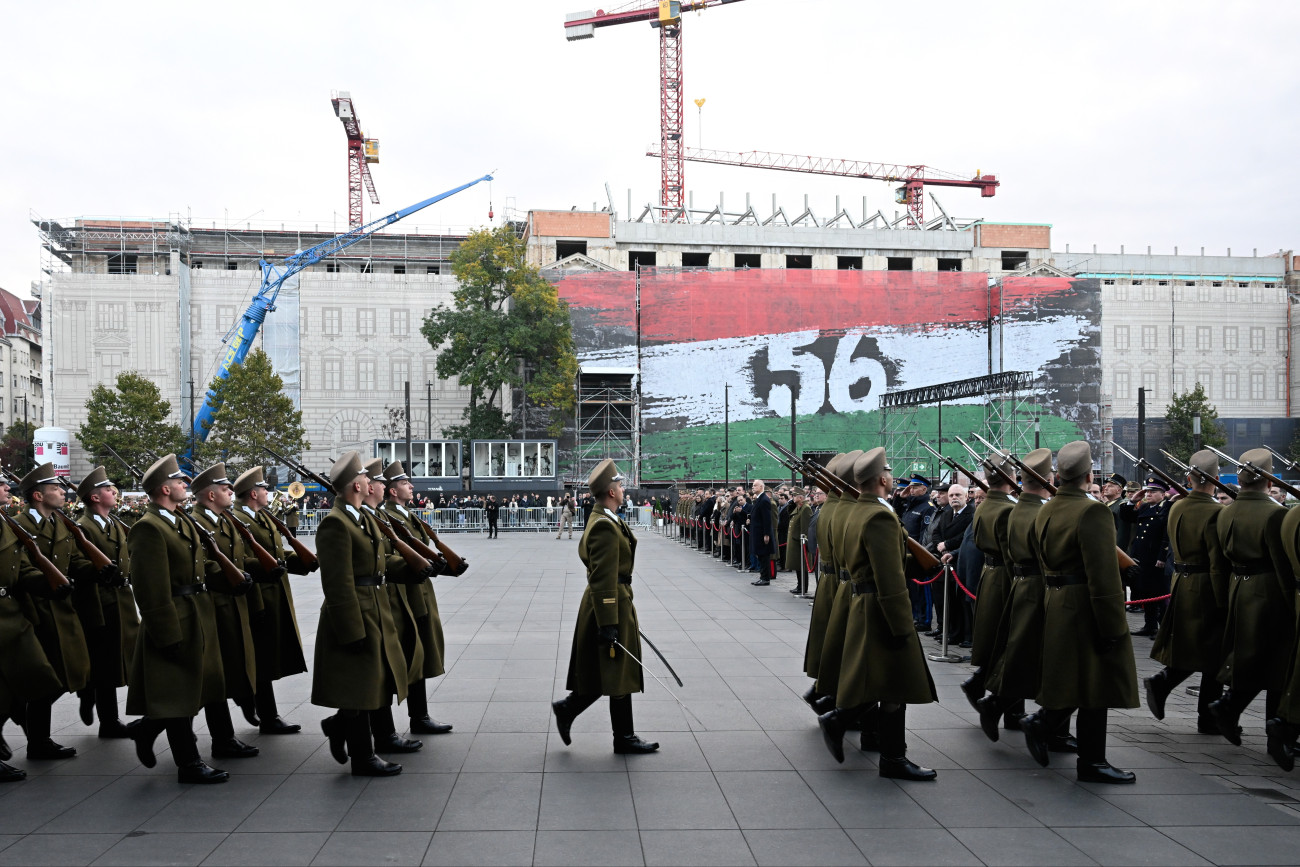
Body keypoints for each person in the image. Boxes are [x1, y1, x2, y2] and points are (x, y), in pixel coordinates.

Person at [816, 447, 937, 780]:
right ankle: (892, 758)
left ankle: (849, 725)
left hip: (862, 603)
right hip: (882, 608)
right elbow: (889, 578)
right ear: (883, 478)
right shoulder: (880, 516)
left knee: (882, 681)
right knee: (896, 685)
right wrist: (902, 625)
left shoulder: (853, 511)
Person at [1021, 441, 1138, 784]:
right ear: (1089, 476)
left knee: (1076, 678)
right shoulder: (1093, 511)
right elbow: (1103, 575)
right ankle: (1090, 759)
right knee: (1095, 681)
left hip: (1056, 599)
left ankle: (1049, 727)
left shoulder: (1046, 508)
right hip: (1085, 603)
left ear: (1058, 476)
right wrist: (1113, 625)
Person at [126, 454, 229, 783]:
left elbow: (198, 566)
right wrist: (166, 632)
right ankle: (189, 763)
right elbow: (150, 588)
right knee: (177, 691)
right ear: (163, 489)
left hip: (196, 611)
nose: (185, 484)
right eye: (179, 481)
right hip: (172, 615)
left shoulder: (180, 520)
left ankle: (146, 729)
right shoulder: (148, 528)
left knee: (190, 689)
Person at [551, 459, 658, 755]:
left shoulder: (606, 519)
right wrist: (608, 621)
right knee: (615, 667)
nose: (623, 489)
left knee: (613, 668)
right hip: (609, 601)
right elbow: (602, 577)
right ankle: (622, 736)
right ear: (611, 491)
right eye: (620, 485)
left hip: (614, 600)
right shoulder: (604, 526)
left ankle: (576, 712)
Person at [312, 451, 408, 777]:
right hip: (355, 610)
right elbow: (338, 584)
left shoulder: (362, 517)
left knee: (369, 682)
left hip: (374, 605)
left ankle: (340, 728)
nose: (371, 481)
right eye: (366, 477)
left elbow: (377, 562)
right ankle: (362, 757)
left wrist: (413, 566)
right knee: (360, 685)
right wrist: (351, 628)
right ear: (356, 484)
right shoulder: (335, 524)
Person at [977, 448, 1076, 752]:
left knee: (1029, 656)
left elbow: (1008, 556)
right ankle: (1046, 726)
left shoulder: (1016, 508)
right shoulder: (1038, 511)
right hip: (1042, 588)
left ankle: (1005, 707)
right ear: (1048, 478)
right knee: (1051, 661)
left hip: (1021, 585)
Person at [1207, 449, 1295, 747]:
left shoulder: (1225, 511)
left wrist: (1222, 599)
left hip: (1237, 587)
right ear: (1269, 481)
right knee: (1277, 661)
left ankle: (1231, 707)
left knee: (1249, 654)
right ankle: (1269, 731)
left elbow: (1218, 563)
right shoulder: (1276, 513)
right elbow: (1282, 566)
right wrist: (1292, 604)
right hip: (1267, 591)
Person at [1142, 450, 1228, 735]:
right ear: (1216, 479)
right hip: (1205, 584)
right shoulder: (1216, 512)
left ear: (1189, 478)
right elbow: (1217, 562)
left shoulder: (1176, 506)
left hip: (1181, 581)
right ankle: (1207, 716)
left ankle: (1165, 681)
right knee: (1213, 652)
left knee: (1192, 644)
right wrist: (1223, 599)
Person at [13, 463, 94, 760]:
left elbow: (70, 561)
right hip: (36, 609)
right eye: (55, 489)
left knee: (68, 673)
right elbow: (20, 569)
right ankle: (37, 739)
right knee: (45, 677)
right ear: (38, 495)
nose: (62, 492)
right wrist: (48, 584)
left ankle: (36, 735)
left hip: (62, 606)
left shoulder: (59, 522)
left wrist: (96, 571)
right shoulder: (19, 524)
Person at [232, 466, 313, 735]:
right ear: (253, 493)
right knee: (261, 658)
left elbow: (276, 552)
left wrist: (301, 562)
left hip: (275, 593)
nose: (268, 492)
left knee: (266, 656)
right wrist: (270, 566)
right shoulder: (237, 520)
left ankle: (257, 704)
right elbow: (240, 561)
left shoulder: (262, 516)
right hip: (257, 597)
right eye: (264, 488)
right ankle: (266, 714)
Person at [188, 463, 262, 761]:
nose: (231, 491)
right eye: (225, 488)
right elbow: (200, 564)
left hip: (233, 604)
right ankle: (221, 738)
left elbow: (241, 558)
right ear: (209, 494)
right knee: (214, 676)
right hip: (213, 605)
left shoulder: (224, 520)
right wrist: (229, 576)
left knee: (226, 672)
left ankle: (225, 735)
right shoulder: (195, 522)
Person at [0, 471, 66, 782]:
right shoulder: (14, 521)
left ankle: (36, 738)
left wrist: (51, 584)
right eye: (1, 486)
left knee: (41, 677)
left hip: (14, 613)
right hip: (7, 615)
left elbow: (21, 567)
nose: (6, 489)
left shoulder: (5, 522)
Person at [382, 461, 454, 736]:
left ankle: (419, 716)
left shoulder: (405, 514)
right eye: (404, 483)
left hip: (419, 592)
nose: (411, 486)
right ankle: (351, 719)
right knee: (405, 656)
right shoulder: (387, 517)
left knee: (419, 653)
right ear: (391, 491)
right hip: (404, 594)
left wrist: (447, 566)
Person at [360, 459, 425, 757]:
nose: (386, 487)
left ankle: (383, 731)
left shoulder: (374, 517)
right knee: (381, 669)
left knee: (391, 665)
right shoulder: (353, 520)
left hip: (388, 597)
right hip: (379, 600)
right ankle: (357, 729)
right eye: (384, 483)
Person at [73, 467, 140, 739]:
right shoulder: (82, 527)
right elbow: (74, 561)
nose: (114, 492)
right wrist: (96, 571)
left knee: (119, 660)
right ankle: (107, 720)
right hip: (98, 602)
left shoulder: (113, 523)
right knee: (103, 662)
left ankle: (90, 692)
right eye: (108, 489)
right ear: (94, 497)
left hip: (122, 601)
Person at [961, 464, 1017, 715]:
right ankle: (994, 696)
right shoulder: (1007, 508)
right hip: (1005, 577)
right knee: (1010, 638)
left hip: (989, 574)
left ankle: (982, 684)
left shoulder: (984, 506)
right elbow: (1011, 553)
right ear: (1011, 477)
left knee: (999, 637)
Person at [1121, 477, 1172, 637]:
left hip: (1156, 557)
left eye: (1153, 492)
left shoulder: (1166, 508)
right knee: (1146, 593)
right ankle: (1150, 625)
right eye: (1147, 491)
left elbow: (1166, 535)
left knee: (1159, 594)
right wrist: (1132, 500)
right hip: (1142, 556)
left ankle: (1163, 628)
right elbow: (1128, 517)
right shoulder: (1144, 508)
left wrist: (1162, 557)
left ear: (1163, 494)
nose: (1148, 494)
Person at [928, 484, 972, 640]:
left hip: (959, 561)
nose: (954, 498)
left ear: (966, 497)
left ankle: (959, 633)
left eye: (958, 495)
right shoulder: (947, 514)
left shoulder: (971, 514)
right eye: (952, 495)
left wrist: (948, 545)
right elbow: (936, 533)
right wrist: (941, 547)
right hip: (944, 560)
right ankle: (948, 630)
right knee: (945, 600)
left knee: (958, 600)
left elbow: (965, 536)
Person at [750, 480, 777, 585]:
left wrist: (766, 534)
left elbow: (767, 519)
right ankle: (763, 576)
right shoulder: (759, 498)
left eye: (755, 485)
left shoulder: (764, 499)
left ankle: (765, 578)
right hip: (758, 532)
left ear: (761, 487)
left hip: (762, 533)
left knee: (764, 555)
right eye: (752, 485)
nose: (753, 487)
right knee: (760, 555)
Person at [785, 487, 812, 595]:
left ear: (801, 497)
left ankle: (803, 587)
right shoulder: (799, 507)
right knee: (797, 566)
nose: (792, 497)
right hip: (795, 542)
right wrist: (791, 502)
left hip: (800, 542)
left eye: (794, 496)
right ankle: (799, 585)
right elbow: (789, 512)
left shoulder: (805, 508)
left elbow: (805, 527)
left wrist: (804, 542)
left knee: (802, 566)